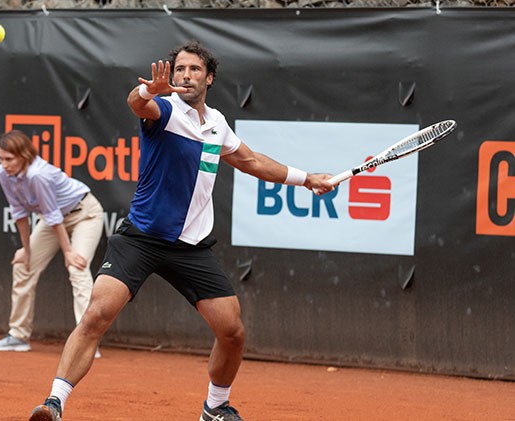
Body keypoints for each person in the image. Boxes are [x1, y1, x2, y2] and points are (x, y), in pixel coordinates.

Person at [29, 41, 334, 421]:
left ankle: (215, 407)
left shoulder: (217, 124)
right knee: (96, 314)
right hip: (141, 238)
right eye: (180, 70)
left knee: (232, 331)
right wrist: (147, 92)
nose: (186, 76)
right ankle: (54, 403)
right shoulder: (166, 109)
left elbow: (252, 161)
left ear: (210, 77)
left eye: (194, 69)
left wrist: (307, 179)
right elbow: (137, 104)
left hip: (191, 246)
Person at [0, 130, 104, 358]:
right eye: (1, 158)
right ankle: (18, 336)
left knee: (77, 267)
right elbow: (19, 213)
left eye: (9, 159)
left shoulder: (37, 175)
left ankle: (87, 342)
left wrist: (68, 252)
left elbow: (53, 215)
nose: (4, 164)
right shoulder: (3, 173)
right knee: (22, 265)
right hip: (53, 221)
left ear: (24, 155)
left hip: (84, 214)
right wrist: (26, 251)